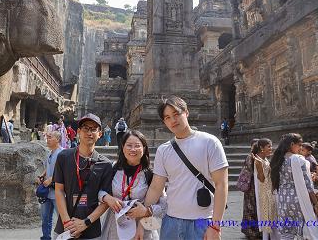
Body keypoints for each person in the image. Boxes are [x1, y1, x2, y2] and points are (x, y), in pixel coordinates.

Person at [141, 95, 228, 240]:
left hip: (203, 221)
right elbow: (156, 187)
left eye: (176, 114)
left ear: (186, 112)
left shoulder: (210, 142)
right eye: (167, 117)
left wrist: (215, 226)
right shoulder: (164, 150)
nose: (173, 120)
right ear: (164, 122)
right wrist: (142, 222)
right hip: (171, 222)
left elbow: (221, 185)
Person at [53, 113, 113, 240]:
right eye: (85, 128)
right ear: (78, 131)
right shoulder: (64, 157)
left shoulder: (106, 164)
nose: (89, 132)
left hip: (91, 228)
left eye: (93, 129)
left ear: (100, 134)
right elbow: (58, 190)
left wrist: (85, 223)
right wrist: (67, 223)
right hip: (64, 226)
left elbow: (106, 201)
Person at [99, 130, 167, 240]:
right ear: (122, 147)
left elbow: (164, 204)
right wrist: (107, 198)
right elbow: (100, 191)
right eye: (129, 145)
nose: (133, 149)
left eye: (137, 146)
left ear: (144, 149)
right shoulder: (113, 169)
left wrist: (147, 211)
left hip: (142, 230)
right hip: (115, 228)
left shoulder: (151, 174)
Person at [270, 133, 318, 239]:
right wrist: (316, 203)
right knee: (301, 231)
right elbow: (308, 185)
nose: (300, 148)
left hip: (283, 199)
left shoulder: (277, 160)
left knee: (286, 232)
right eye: (300, 145)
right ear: (292, 144)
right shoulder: (299, 160)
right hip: (298, 199)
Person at [36, 131, 64, 240]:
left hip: (57, 192)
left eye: (50, 137)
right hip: (47, 192)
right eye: (47, 137)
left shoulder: (62, 153)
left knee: (62, 218)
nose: (47, 139)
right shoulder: (50, 153)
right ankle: (46, 237)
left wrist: (51, 179)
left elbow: (65, 170)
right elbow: (49, 166)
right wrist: (42, 175)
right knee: (45, 218)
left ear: (57, 139)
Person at [252, 138, 279, 240]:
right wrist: (259, 167)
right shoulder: (258, 160)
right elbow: (262, 179)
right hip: (264, 192)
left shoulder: (265, 159)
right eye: (269, 146)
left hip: (269, 191)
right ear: (261, 148)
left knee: (271, 216)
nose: (271, 149)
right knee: (265, 217)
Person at [241, 138, 262, 239]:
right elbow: (249, 171)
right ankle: (251, 231)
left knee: (252, 208)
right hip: (251, 186)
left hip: (254, 185)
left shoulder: (256, 157)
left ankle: (252, 230)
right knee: (250, 208)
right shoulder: (251, 157)